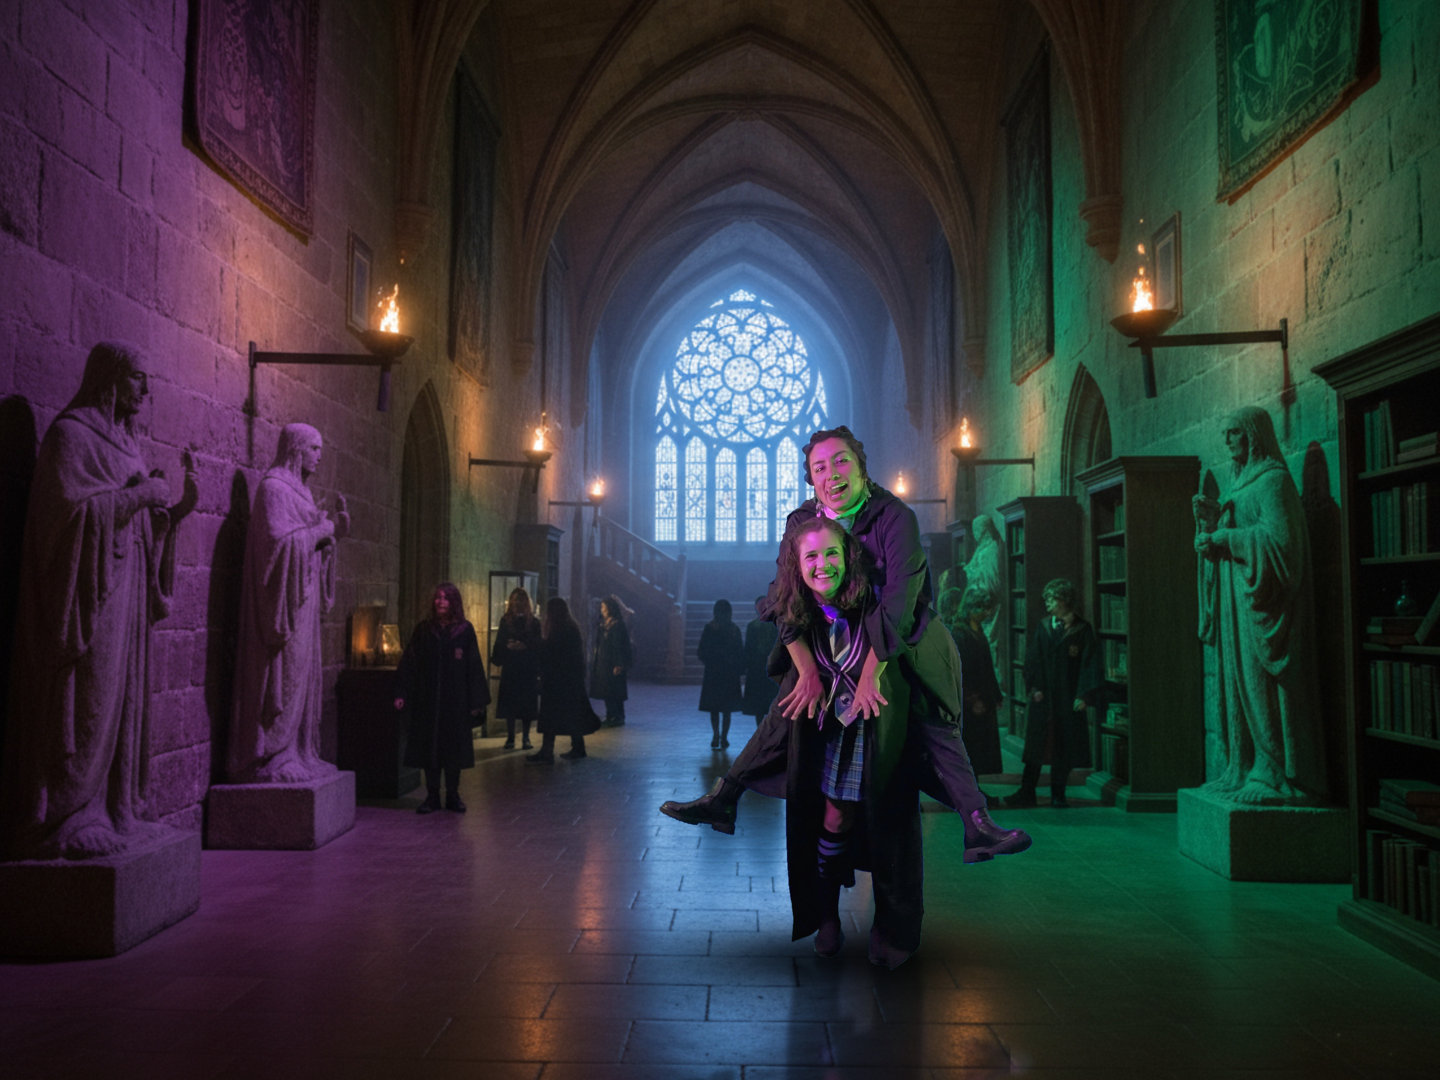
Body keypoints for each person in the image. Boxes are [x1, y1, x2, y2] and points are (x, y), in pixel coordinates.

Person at [661, 426, 1030, 864]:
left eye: (841, 462)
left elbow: (898, 603)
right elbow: (785, 597)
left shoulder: (895, 516)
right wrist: (807, 673)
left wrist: (873, 673)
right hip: (827, 642)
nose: (831, 473)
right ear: (811, 478)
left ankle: (978, 825)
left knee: (931, 720)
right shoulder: (801, 522)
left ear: (861, 468)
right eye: (820, 467)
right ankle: (725, 796)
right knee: (786, 709)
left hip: (900, 638)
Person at [0, 343, 197, 860]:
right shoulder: (70, 436)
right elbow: (62, 522)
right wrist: (139, 497)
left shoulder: (127, 444)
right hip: (90, 593)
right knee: (90, 688)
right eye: (138, 378)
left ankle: (114, 807)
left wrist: (172, 514)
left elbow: (138, 511)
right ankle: (69, 815)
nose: (146, 391)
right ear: (110, 378)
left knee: (123, 694)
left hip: (127, 584)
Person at [772, 515, 923, 967]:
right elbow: (784, 630)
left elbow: (898, 638)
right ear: (797, 564)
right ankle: (827, 914)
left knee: (883, 825)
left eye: (831, 553)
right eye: (811, 556)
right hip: (823, 728)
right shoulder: (796, 611)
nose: (822, 564)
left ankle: (888, 926)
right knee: (833, 820)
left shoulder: (874, 604)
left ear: (848, 556)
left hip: (869, 724)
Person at [1194, 406, 1325, 805]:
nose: (1228, 440)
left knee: (1260, 686)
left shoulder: (1274, 482)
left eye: (1234, 432)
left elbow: (1282, 548)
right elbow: (1234, 538)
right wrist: (1209, 534)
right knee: (1237, 686)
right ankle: (1241, 765)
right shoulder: (1240, 485)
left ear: (1253, 434)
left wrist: (1226, 540)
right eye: (1226, 434)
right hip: (1237, 600)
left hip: (1262, 604)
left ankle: (1271, 771)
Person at [227, 423, 350, 784]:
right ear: (297, 448)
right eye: (314, 450)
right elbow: (276, 547)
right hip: (283, 603)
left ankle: (297, 751)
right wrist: (323, 531)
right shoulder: (273, 489)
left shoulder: (302, 493)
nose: (319, 457)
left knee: (302, 674)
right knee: (285, 673)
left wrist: (333, 534)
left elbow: (308, 541)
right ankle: (273, 756)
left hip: (303, 598)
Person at [1004, 578, 1103, 808]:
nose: (1047, 602)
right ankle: (1027, 792)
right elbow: (1033, 660)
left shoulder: (1082, 630)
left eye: (1052, 598)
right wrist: (1035, 687)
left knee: (1064, 747)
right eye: (1046, 598)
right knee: (1035, 747)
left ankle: (1058, 794)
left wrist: (1084, 695)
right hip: (1044, 698)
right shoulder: (1044, 626)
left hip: (1069, 699)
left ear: (1065, 601)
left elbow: (1090, 665)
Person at [393, 583, 489, 813]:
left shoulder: (464, 631)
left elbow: (473, 666)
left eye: (446, 598)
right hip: (428, 700)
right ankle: (432, 795)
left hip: (455, 702)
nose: (441, 601)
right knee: (430, 750)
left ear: (453, 602)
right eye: (438, 597)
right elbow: (410, 663)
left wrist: (476, 702)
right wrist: (402, 692)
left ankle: (453, 795)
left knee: (452, 750)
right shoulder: (425, 630)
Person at [528, 597, 601, 763]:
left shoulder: (560, 630)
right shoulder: (570, 628)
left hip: (557, 682)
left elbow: (553, 653)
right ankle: (577, 748)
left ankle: (548, 752)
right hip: (569, 681)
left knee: (550, 718)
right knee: (572, 716)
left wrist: (538, 645)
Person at [952, 586, 1005, 801]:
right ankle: (969, 791)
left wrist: (995, 694)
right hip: (970, 700)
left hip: (984, 697)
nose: (987, 613)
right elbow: (959, 670)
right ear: (972, 608)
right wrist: (972, 698)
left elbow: (986, 666)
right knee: (970, 745)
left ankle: (976, 788)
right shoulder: (959, 633)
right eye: (983, 608)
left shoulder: (977, 630)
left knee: (980, 746)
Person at [491, 587, 541, 750]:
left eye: (520, 601)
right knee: (510, 705)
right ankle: (511, 736)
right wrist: (509, 647)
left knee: (526, 705)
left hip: (526, 668)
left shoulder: (533, 622)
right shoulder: (506, 621)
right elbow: (499, 643)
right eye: (515, 601)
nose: (517, 603)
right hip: (512, 667)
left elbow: (538, 645)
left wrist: (524, 646)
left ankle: (525, 736)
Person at [697, 598, 745, 749]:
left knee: (714, 708)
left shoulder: (709, 628)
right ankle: (724, 736)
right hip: (729, 673)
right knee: (727, 709)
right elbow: (740, 652)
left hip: (713, 673)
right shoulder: (734, 629)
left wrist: (711, 662)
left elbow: (701, 651)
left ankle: (716, 734)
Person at [589, 594, 632, 728]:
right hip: (604, 662)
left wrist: (619, 664)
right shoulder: (603, 624)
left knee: (616, 690)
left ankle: (618, 716)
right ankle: (610, 715)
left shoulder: (618, 625)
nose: (602, 610)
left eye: (604, 607)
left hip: (614, 662)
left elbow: (620, 646)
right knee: (606, 690)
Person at [741, 595, 780, 726]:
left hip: (766, 669)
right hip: (762, 669)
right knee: (763, 704)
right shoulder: (757, 626)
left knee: (766, 703)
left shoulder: (774, 625)